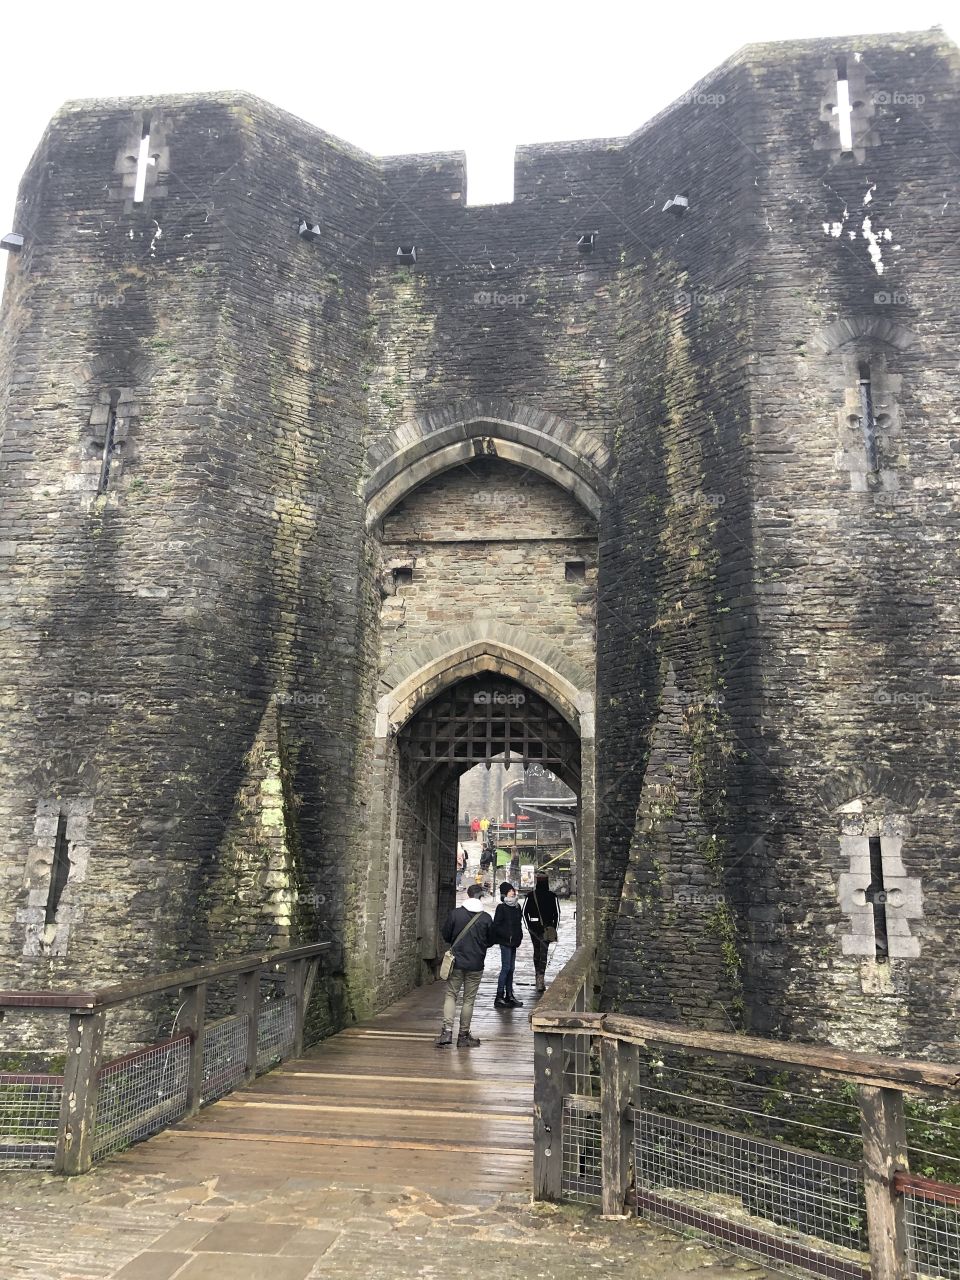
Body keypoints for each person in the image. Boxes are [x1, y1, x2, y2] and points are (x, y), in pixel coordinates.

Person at [436, 883, 493, 1048]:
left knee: (451, 995)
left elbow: (446, 935)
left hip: (457, 962)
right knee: (469, 999)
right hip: (476, 963)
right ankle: (463, 1035)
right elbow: (490, 940)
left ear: (468, 895)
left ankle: (447, 1031)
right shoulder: (485, 918)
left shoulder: (455, 914)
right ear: (481, 897)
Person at [522, 872, 560, 993]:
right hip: (547, 928)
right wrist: (554, 927)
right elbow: (557, 914)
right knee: (543, 952)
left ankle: (538, 976)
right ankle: (540, 977)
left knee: (537, 951)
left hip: (534, 928)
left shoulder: (530, 895)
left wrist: (528, 926)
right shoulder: (552, 896)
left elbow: (524, 912)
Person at [492, 880, 524, 1009]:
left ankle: (509, 995)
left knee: (511, 968)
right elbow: (496, 925)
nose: (513, 892)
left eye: (513, 890)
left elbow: (519, 923)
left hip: (514, 942)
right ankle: (499, 996)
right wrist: (506, 935)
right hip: (505, 942)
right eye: (510, 891)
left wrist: (519, 936)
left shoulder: (517, 907)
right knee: (505, 968)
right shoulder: (501, 908)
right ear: (505, 893)